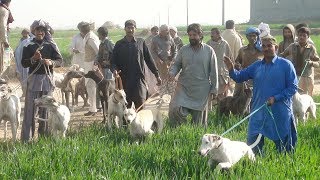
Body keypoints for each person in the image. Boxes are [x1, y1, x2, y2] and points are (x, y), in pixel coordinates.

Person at [224, 35, 298, 154]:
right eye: (263, 46)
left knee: (284, 146)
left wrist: (276, 98)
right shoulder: (257, 65)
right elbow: (239, 77)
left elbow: (293, 87)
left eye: (269, 46)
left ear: (276, 47)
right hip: (259, 110)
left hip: (279, 111)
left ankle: (284, 166)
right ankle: (255, 166)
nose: (266, 48)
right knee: (253, 145)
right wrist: (231, 69)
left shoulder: (286, 65)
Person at [168, 23, 218, 127]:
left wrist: (214, 89)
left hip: (201, 90)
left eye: (194, 35)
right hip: (184, 87)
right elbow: (177, 64)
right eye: (190, 35)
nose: (192, 37)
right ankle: (178, 132)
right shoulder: (183, 50)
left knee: (199, 122)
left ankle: (195, 136)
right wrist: (172, 73)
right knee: (174, 108)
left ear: (200, 35)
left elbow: (214, 71)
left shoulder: (209, 51)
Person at [21, 20, 63, 142]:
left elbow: (60, 61)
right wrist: (33, 59)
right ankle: (26, 140)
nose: (40, 32)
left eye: (42, 30)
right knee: (30, 111)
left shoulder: (51, 45)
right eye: (38, 30)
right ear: (33, 31)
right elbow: (24, 63)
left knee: (46, 110)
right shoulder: (28, 45)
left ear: (45, 32)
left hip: (47, 80)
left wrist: (51, 62)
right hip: (33, 80)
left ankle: (44, 138)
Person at [111, 20, 161, 109]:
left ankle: (141, 123)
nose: (130, 30)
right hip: (124, 80)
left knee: (141, 105)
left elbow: (149, 60)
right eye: (128, 28)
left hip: (139, 80)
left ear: (135, 29)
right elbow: (113, 61)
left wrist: (157, 75)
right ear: (124, 29)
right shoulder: (119, 44)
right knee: (126, 108)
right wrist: (114, 70)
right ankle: (125, 123)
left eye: (132, 28)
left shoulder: (141, 42)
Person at [280, 27, 319, 96]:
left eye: (304, 36)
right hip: (293, 75)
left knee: (305, 97)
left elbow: (318, 63)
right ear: (297, 36)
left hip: (306, 77)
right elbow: (282, 55)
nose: (301, 37)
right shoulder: (292, 46)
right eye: (300, 35)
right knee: (293, 96)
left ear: (308, 37)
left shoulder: (311, 48)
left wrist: (311, 63)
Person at [233, 27, 264, 96]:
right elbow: (237, 62)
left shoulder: (262, 51)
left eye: (254, 36)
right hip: (245, 79)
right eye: (250, 36)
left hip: (259, 80)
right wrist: (237, 66)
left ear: (257, 36)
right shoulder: (242, 50)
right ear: (247, 37)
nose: (252, 38)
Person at [151, 24, 177, 96]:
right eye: (162, 31)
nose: (162, 33)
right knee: (163, 79)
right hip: (160, 62)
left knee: (171, 78)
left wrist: (173, 58)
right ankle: (162, 95)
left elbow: (175, 50)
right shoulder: (155, 39)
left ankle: (171, 95)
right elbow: (152, 50)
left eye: (166, 31)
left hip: (169, 62)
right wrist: (157, 59)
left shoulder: (170, 38)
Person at [206, 27, 233, 99]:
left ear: (218, 34)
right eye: (211, 33)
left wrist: (230, 70)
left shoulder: (224, 44)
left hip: (222, 72)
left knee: (223, 94)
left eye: (213, 33)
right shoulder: (208, 44)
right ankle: (211, 109)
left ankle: (222, 109)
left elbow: (229, 58)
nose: (211, 35)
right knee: (212, 93)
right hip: (211, 72)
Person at [80, 22, 100, 116]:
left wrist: (95, 64)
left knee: (90, 87)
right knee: (91, 87)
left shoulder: (90, 38)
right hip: (89, 64)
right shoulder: (89, 36)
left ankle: (93, 109)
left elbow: (98, 51)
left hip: (91, 64)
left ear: (82, 30)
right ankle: (94, 107)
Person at [0, 0, 13, 74]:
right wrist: (5, 40)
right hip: (0, 38)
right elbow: (2, 26)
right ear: (8, 2)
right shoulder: (4, 10)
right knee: (3, 58)